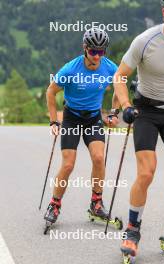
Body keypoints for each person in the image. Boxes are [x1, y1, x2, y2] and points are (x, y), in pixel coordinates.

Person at [113, 0, 164, 258]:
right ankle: (132, 228)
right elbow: (120, 76)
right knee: (147, 172)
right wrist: (125, 105)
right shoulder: (146, 41)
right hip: (145, 111)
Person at [44, 27, 120, 225]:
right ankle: (54, 204)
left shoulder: (110, 67)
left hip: (93, 118)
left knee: (98, 158)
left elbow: (119, 88)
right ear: (85, 48)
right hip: (71, 117)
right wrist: (54, 120)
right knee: (68, 164)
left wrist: (113, 112)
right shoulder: (70, 69)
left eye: (101, 51)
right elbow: (50, 92)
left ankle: (96, 202)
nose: (97, 56)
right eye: (94, 51)